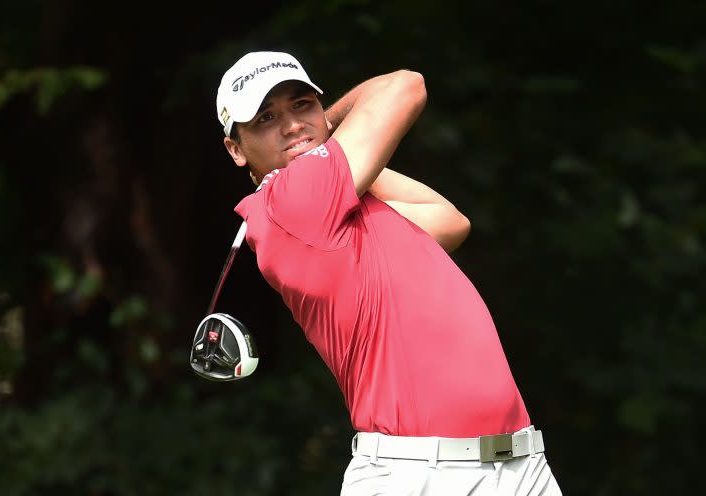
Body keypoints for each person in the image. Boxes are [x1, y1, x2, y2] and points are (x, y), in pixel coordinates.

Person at [215, 50, 562, 495]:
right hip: (420, 476)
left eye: (302, 105)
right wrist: (333, 134)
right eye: (265, 118)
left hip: (521, 465)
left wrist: (333, 150)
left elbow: (448, 220)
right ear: (236, 149)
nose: (291, 125)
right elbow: (405, 85)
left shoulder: (342, 209)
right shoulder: (291, 206)